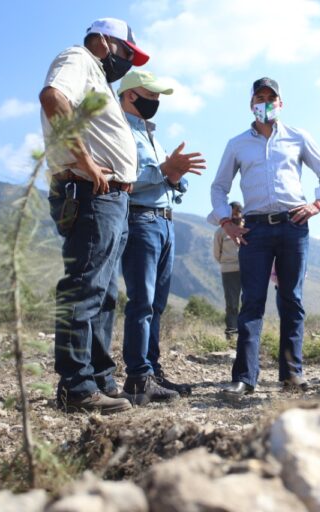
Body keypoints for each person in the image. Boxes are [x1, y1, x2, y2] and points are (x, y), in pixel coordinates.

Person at [40, 18, 149, 414]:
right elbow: (53, 98)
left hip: (111, 197)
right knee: (84, 286)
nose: (127, 61)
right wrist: (87, 161)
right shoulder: (79, 58)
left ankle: (100, 378)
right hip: (90, 192)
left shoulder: (101, 81)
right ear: (103, 41)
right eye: (126, 52)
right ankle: (75, 386)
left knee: (104, 295)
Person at [209, 77, 320, 397]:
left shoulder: (298, 137)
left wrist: (318, 203)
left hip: (294, 224)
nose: (265, 102)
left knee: (291, 299)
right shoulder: (237, 144)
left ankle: (292, 374)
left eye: (271, 97)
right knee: (251, 301)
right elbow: (218, 187)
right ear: (251, 104)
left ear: (281, 103)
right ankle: (244, 378)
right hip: (255, 229)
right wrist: (226, 221)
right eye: (259, 97)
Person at [118, 70, 204, 405]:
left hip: (165, 222)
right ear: (129, 95)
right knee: (141, 302)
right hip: (140, 220)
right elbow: (126, 177)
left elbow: (169, 180)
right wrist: (166, 171)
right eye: (149, 95)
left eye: (157, 97)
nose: (155, 102)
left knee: (156, 304)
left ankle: (152, 371)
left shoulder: (151, 135)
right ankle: (138, 377)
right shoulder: (121, 130)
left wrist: (176, 175)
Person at [214, 202, 244, 340]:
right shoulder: (221, 231)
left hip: (248, 269)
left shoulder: (249, 228)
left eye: (237, 212)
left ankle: (246, 334)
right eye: (232, 212)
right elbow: (216, 252)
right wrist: (226, 262)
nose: (234, 215)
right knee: (231, 303)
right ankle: (231, 334)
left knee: (249, 301)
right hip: (229, 270)